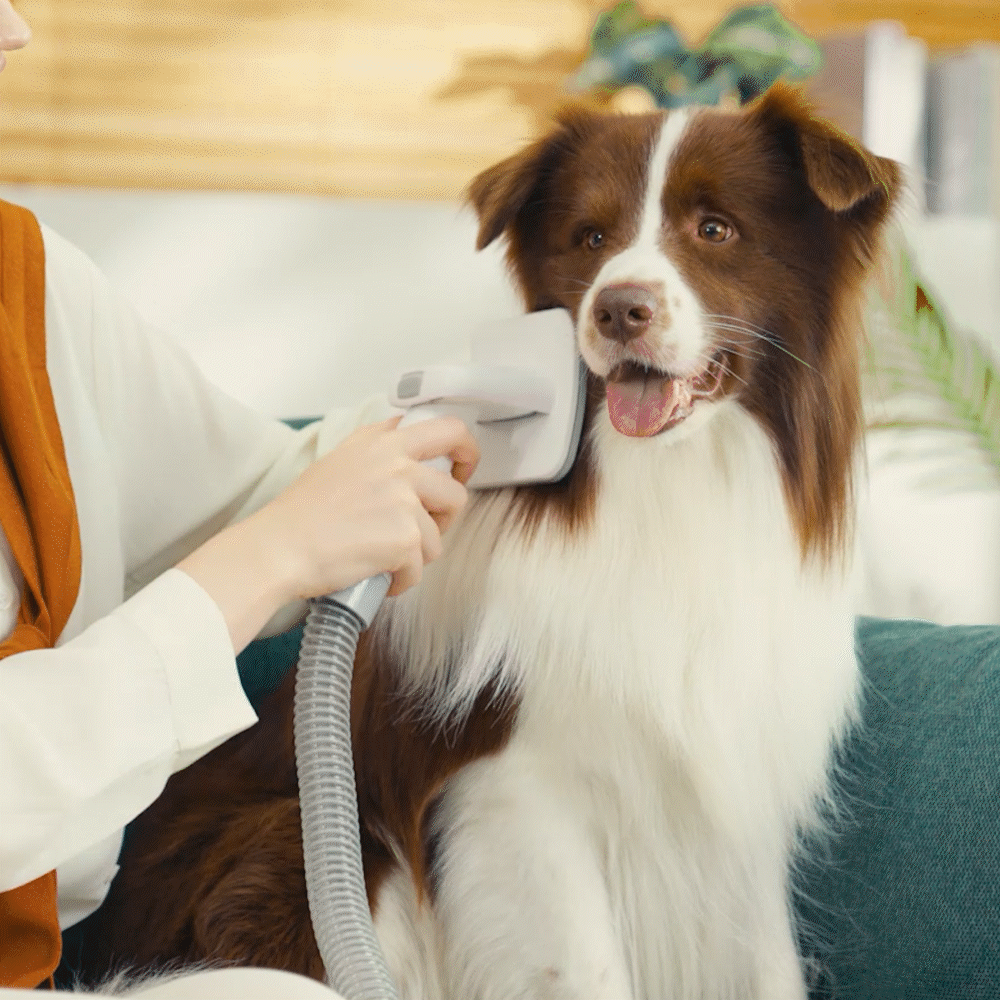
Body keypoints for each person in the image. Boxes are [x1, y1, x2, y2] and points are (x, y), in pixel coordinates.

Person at [0, 2, 479, 994]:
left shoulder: (26, 284)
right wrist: (266, 559)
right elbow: (267, 538)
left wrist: (494, 415)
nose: (15, 35)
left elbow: (260, 490)